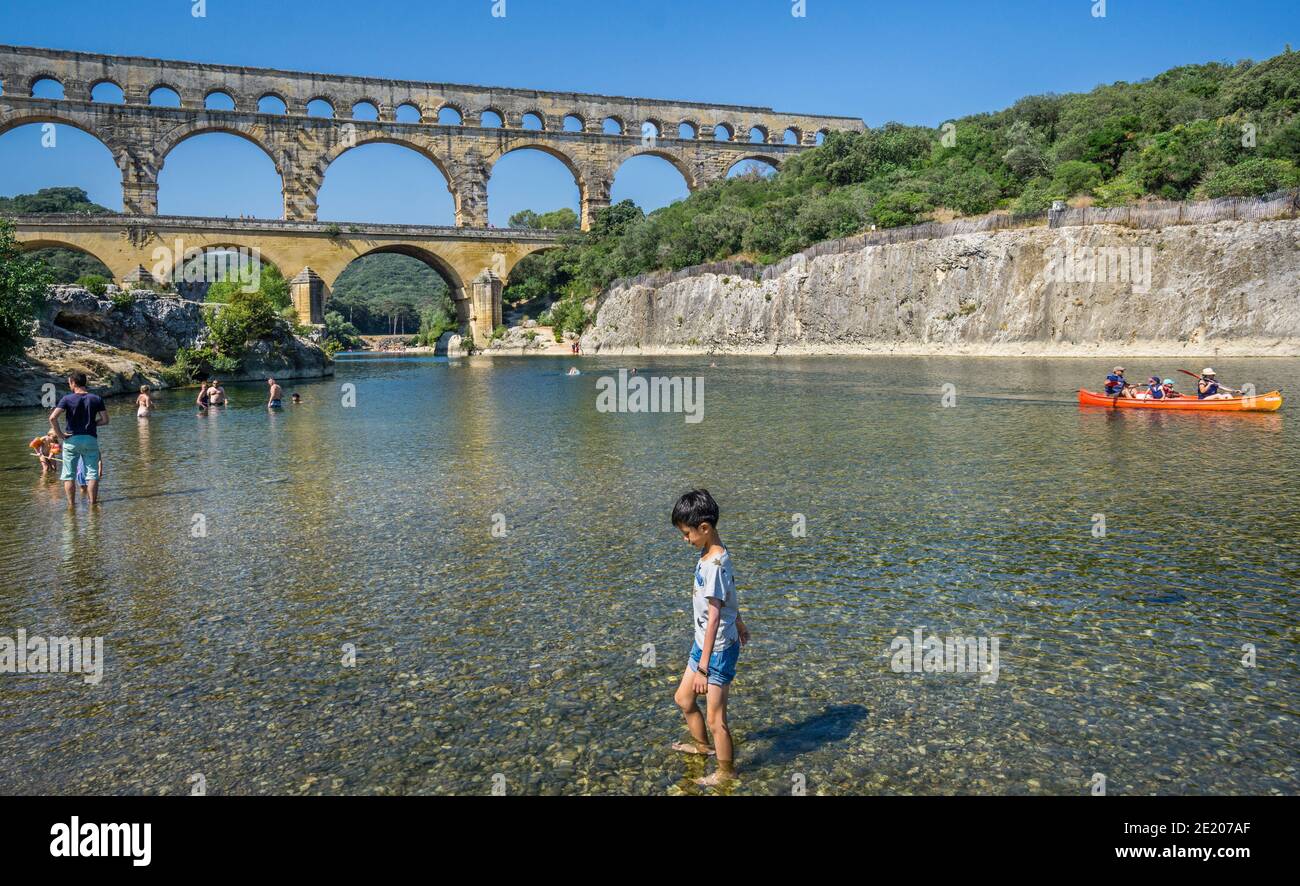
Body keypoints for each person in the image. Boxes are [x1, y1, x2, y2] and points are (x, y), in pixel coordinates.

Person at [670, 489, 749, 786]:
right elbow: (731, 594)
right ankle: (703, 749)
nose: (685, 539)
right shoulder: (713, 552)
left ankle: (726, 774)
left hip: (715, 650)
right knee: (684, 699)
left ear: (704, 528)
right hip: (704, 644)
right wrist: (740, 621)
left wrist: (703, 667)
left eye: (687, 533)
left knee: (717, 720)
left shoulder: (714, 565)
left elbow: (715, 614)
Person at [47, 373, 109, 507]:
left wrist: (60, 435)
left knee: (69, 475)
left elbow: (52, 418)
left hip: (71, 439)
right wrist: (92, 425)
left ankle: (71, 506)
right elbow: (105, 420)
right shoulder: (96, 398)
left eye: (69, 383)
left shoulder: (66, 399)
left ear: (74, 383)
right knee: (92, 473)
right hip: (90, 439)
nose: (69, 385)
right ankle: (93, 505)